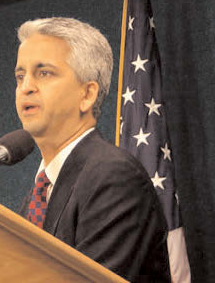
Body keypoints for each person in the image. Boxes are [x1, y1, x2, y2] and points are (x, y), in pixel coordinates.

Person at [15, 17, 171, 282]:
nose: (25, 87)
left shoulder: (113, 177)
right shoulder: (37, 196)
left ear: (87, 95)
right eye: (20, 76)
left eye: (44, 73)